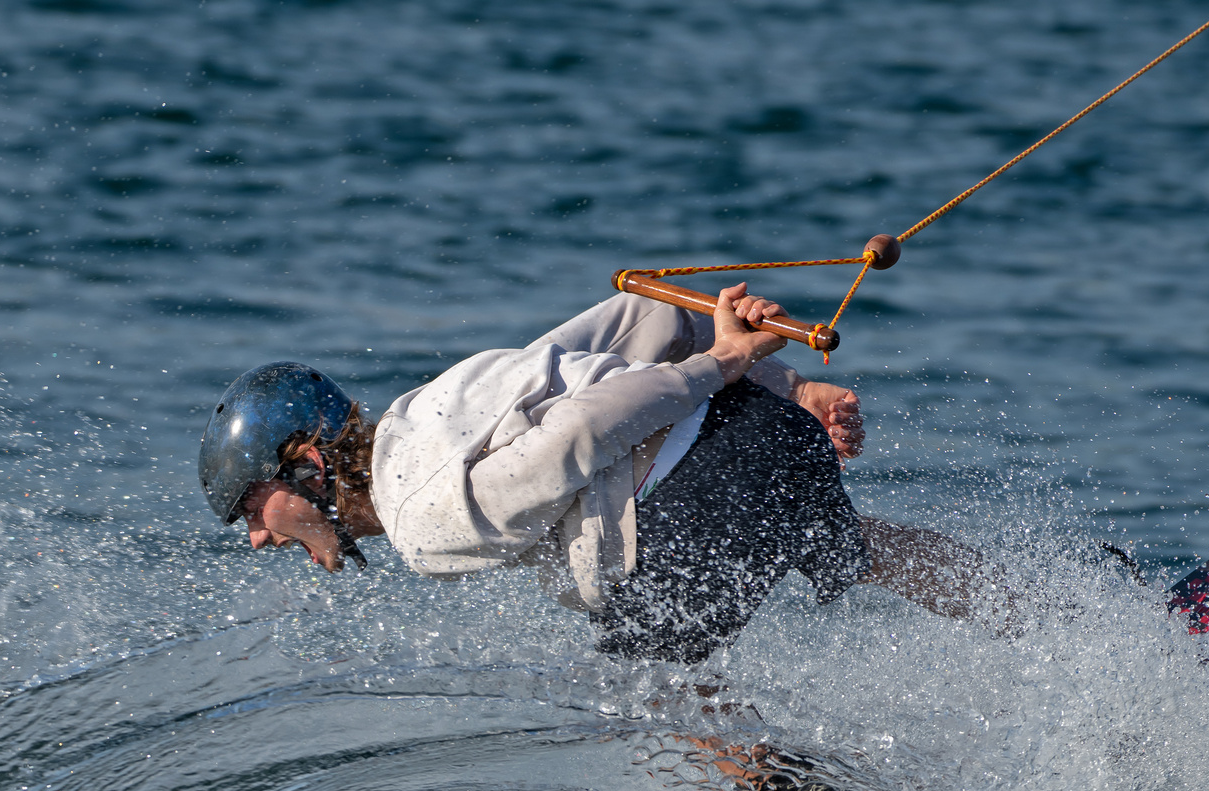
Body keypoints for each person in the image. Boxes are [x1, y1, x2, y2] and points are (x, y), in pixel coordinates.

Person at [199, 283, 1001, 666]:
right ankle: (1061, 609)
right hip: (770, 437)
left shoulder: (417, 519)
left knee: (646, 695)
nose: (260, 538)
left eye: (252, 510)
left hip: (708, 489)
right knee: (857, 550)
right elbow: (646, 320)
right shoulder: (433, 403)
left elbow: (578, 433)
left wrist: (724, 361)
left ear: (305, 464)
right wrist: (785, 385)